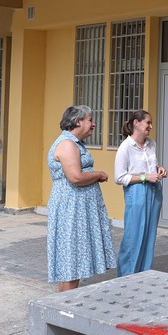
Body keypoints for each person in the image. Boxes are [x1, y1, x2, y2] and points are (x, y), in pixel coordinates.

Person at [46, 105, 115, 291]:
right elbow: (75, 177)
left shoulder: (74, 143)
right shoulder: (67, 144)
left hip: (76, 206)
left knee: (72, 262)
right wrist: (98, 174)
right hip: (72, 207)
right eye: (90, 120)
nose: (94, 124)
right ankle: (65, 309)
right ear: (78, 121)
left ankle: (62, 306)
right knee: (72, 262)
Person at [114, 110, 167, 276]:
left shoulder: (151, 144)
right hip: (137, 191)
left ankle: (143, 273)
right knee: (134, 234)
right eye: (148, 123)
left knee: (149, 234)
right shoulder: (125, 147)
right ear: (136, 123)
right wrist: (145, 177)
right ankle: (126, 274)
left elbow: (152, 166)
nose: (151, 126)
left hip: (154, 190)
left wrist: (159, 169)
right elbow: (119, 177)